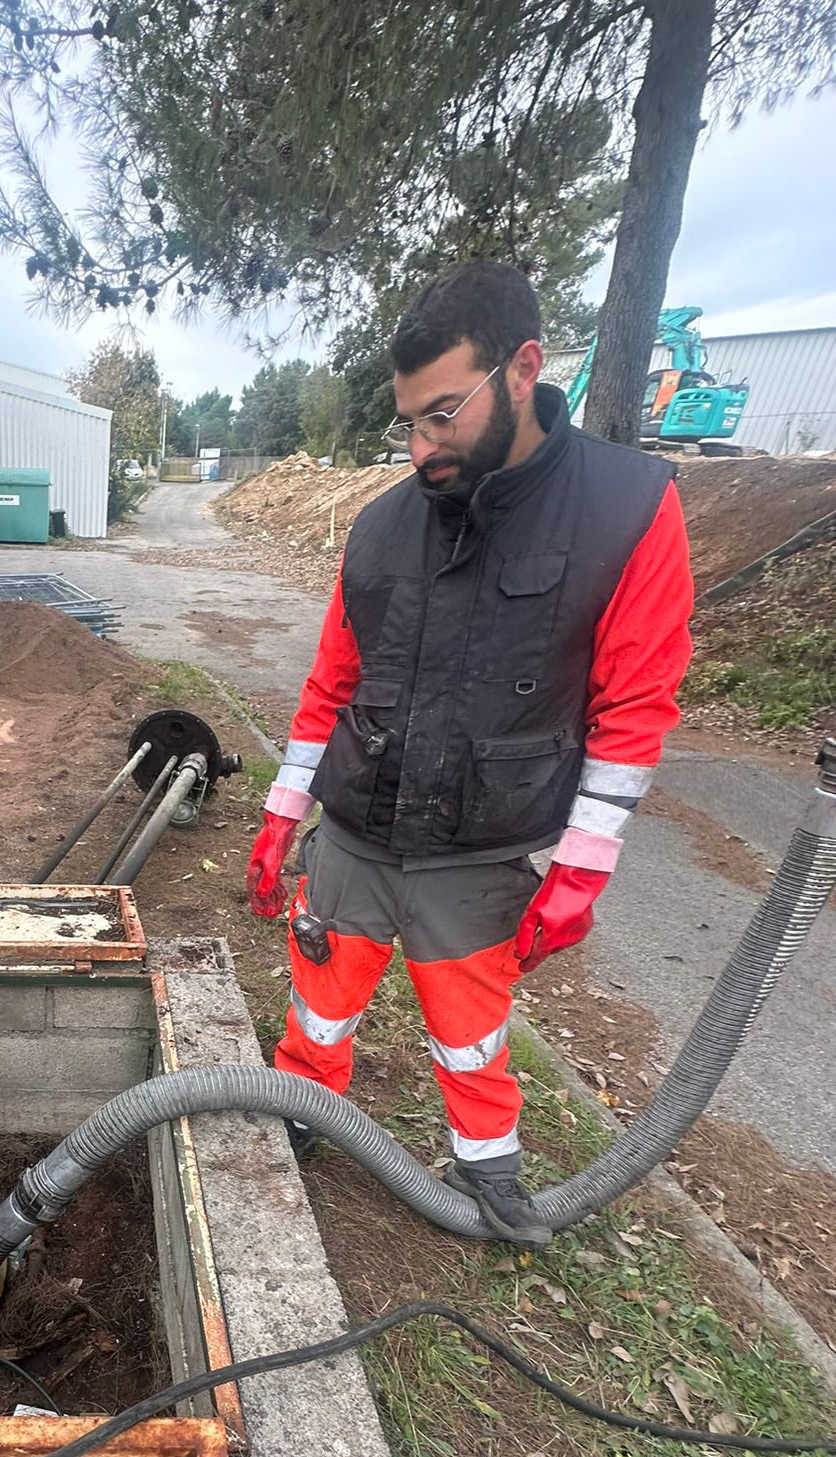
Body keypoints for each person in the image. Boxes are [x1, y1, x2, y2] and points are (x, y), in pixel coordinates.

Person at [246, 261, 694, 1247]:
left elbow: (634, 704)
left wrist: (583, 863)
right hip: (356, 835)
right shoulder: (382, 526)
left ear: (523, 368)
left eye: (442, 415)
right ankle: (300, 1114)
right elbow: (332, 683)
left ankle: (487, 1169)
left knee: (470, 1030)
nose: (421, 447)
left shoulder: (626, 509)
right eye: (408, 422)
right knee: (318, 1007)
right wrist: (284, 812)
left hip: (478, 850)